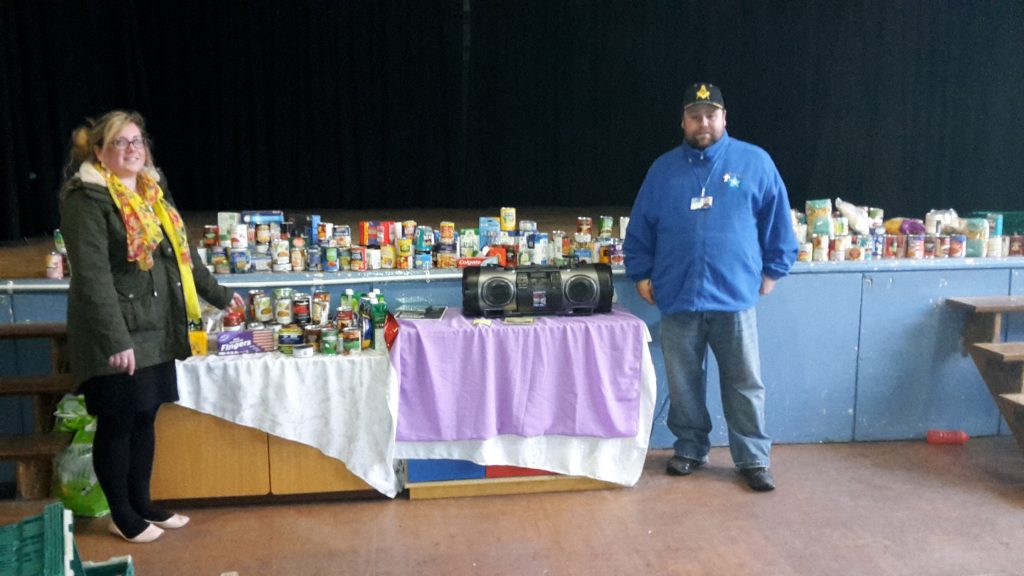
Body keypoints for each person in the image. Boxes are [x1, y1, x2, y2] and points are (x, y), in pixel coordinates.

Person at [59, 110, 244, 542]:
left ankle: (141, 504)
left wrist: (219, 295)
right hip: (117, 333)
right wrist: (115, 339)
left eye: (137, 141)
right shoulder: (86, 199)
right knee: (118, 421)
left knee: (145, 416)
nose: (131, 149)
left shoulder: (152, 192)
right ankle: (121, 515)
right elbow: (92, 277)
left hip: (156, 326)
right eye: (119, 142)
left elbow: (182, 255)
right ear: (99, 151)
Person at [623, 83, 797, 492]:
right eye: (695, 116)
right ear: (683, 121)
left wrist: (774, 269)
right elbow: (641, 226)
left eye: (711, 115)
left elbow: (778, 221)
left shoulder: (755, 162)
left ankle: (753, 457)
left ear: (724, 118)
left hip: (734, 296)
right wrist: (641, 272)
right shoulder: (663, 170)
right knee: (683, 382)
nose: (703, 123)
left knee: (744, 382)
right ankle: (689, 447)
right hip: (677, 294)